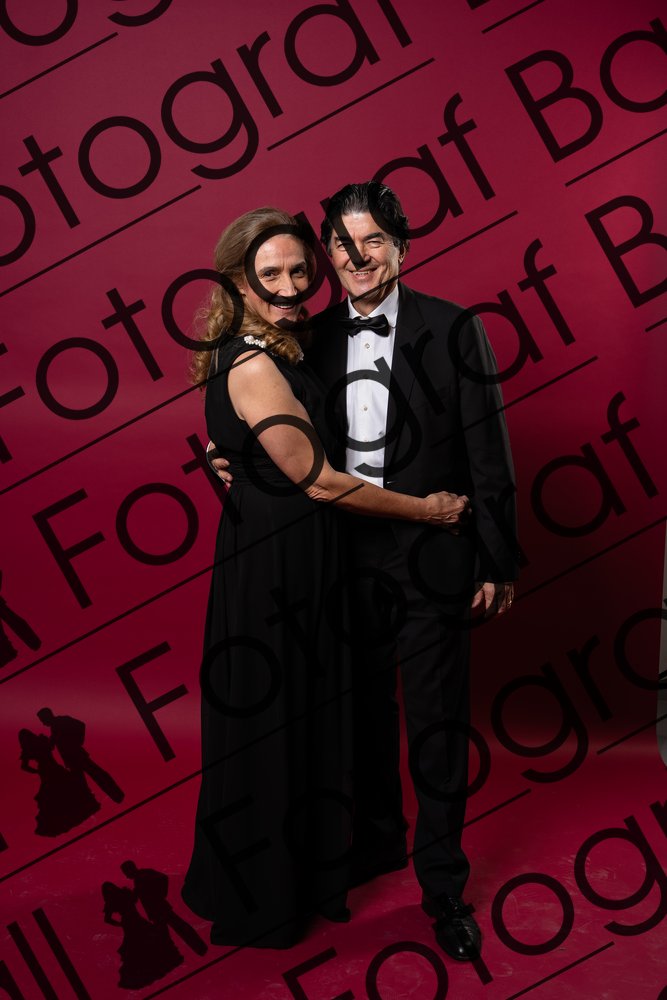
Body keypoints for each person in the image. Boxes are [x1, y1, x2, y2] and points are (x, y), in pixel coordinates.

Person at [212, 184, 518, 961]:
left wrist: (495, 557)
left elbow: (488, 450)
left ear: (400, 247)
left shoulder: (454, 329)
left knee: (435, 726)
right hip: (336, 556)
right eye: (342, 245)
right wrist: (223, 454)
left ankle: (441, 888)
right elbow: (262, 416)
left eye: (373, 241)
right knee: (356, 719)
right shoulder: (301, 335)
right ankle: (373, 847)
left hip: (433, 556)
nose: (357, 258)